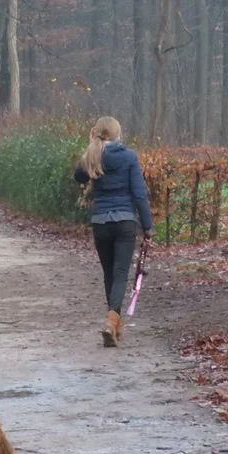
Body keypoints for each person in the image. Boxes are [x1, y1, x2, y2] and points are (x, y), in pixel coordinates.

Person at [73, 116, 154, 348]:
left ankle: (114, 325)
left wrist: (89, 146)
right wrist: (147, 226)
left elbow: (78, 177)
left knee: (109, 273)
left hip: (100, 222)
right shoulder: (129, 157)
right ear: (118, 134)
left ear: (96, 133)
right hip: (125, 222)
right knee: (120, 273)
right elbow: (139, 193)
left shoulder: (93, 155)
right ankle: (111, 321)